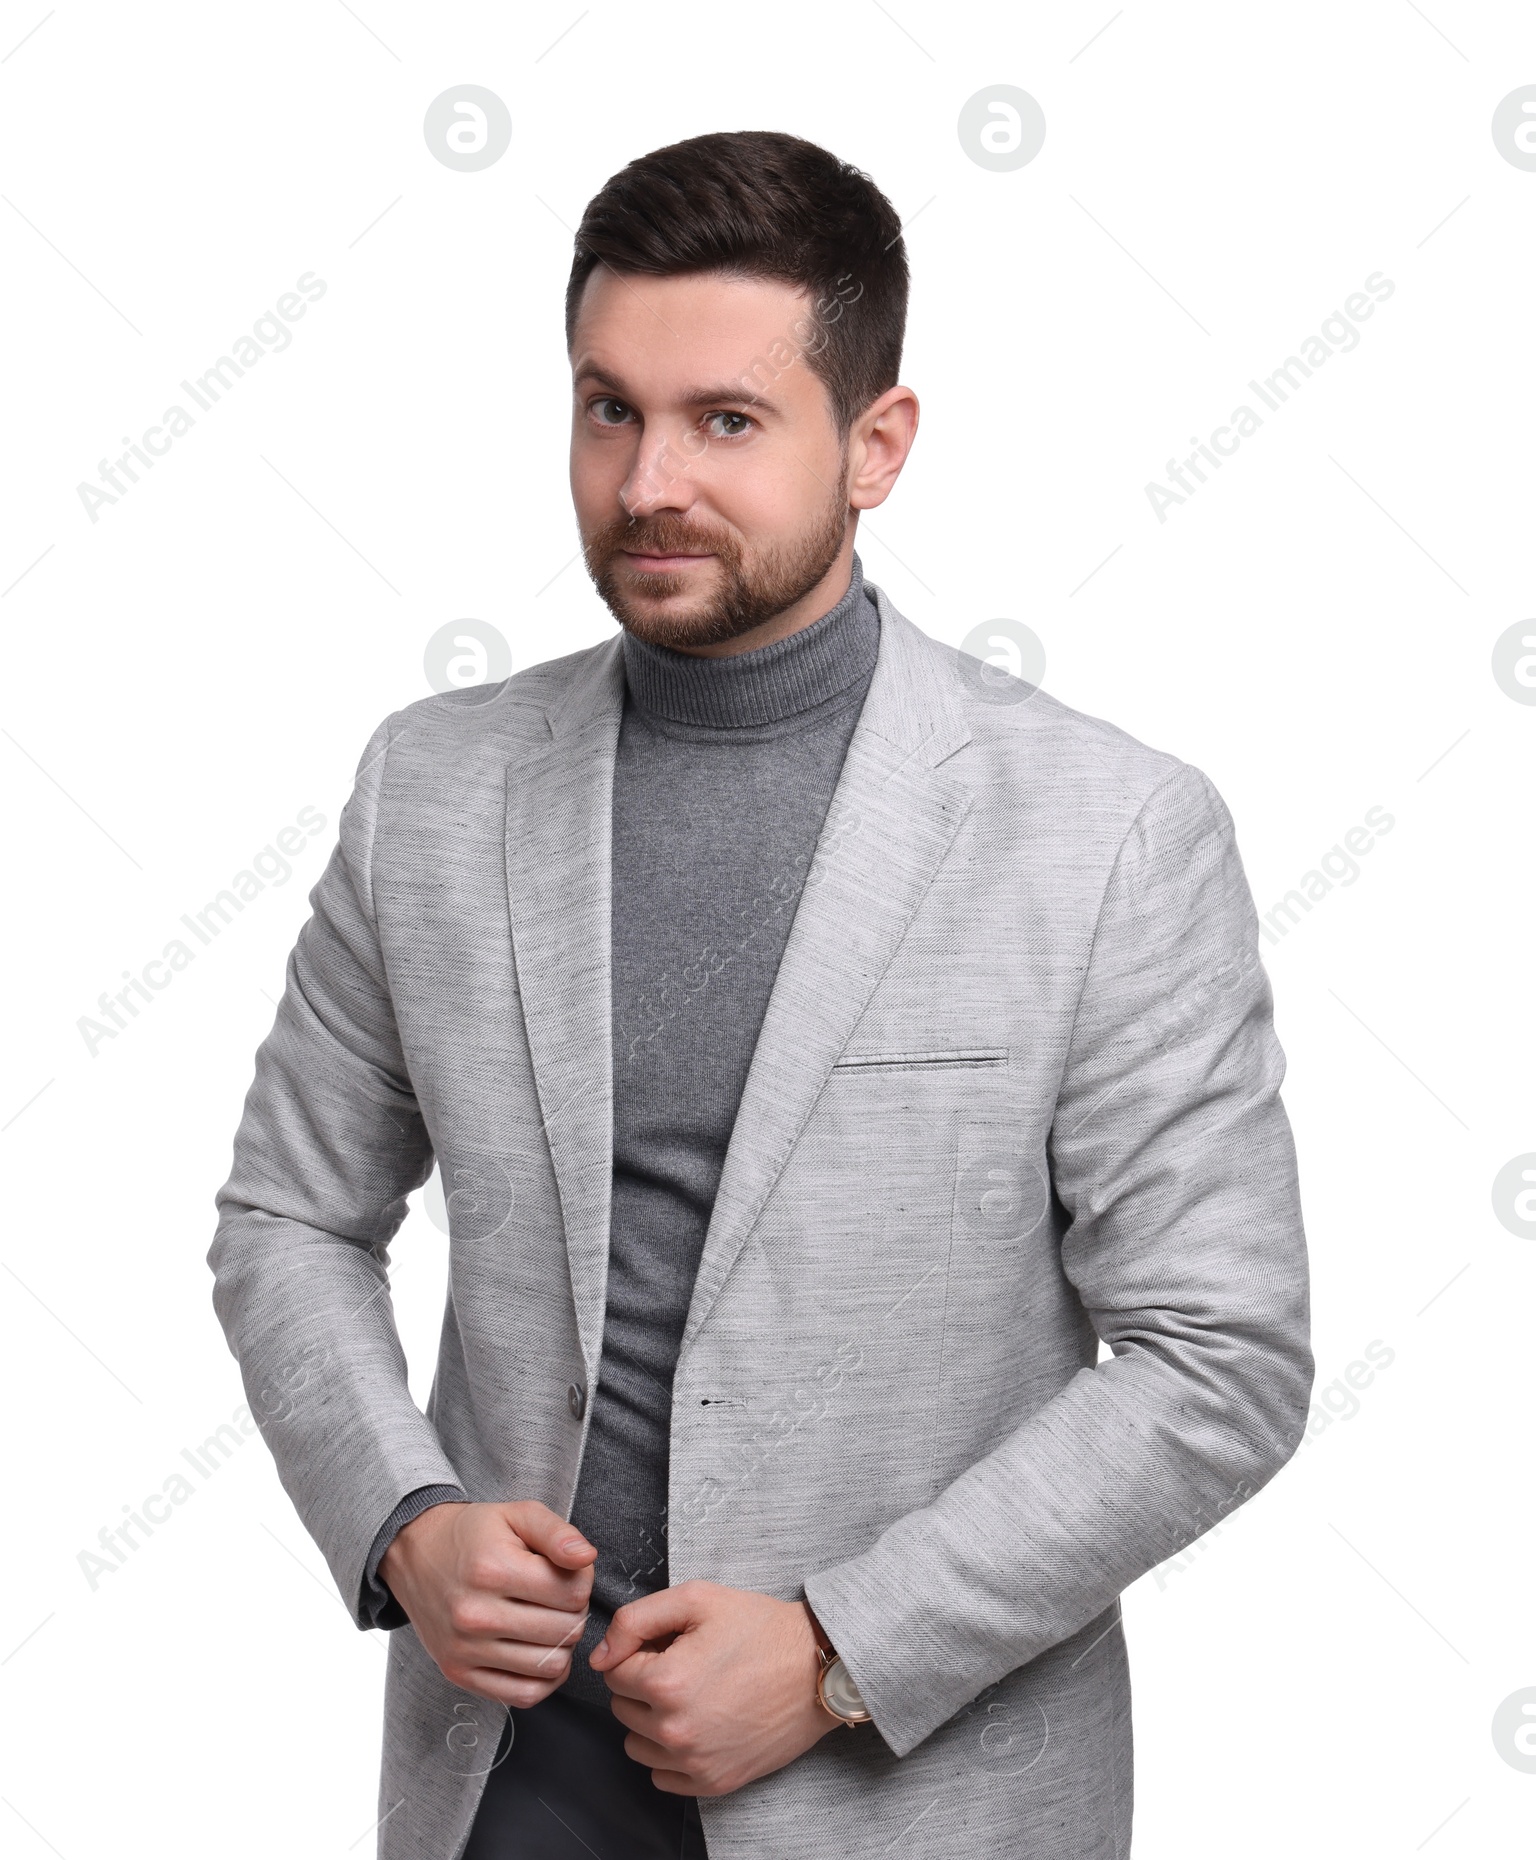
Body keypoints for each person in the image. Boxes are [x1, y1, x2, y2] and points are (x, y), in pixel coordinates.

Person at [208, 128, 1314, 1860]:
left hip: (914, 1791)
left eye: (727, 420)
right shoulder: (433, 787)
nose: (650, 479)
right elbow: (287, 1213)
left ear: (876, 447)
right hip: (503, 1777)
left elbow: (1218, 1354)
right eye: (607, 408)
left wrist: (842, 1650)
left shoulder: (1110, 834)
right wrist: (404, 1516)